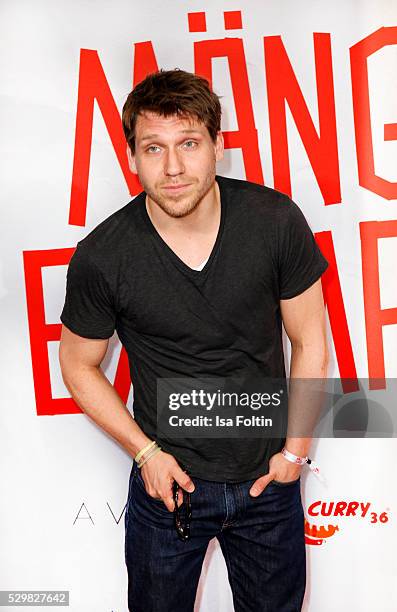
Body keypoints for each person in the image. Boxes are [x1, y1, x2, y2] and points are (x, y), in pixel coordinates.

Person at [59, 68, 329, 612]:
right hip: (169, 488)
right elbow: (77, 365)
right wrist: (146, 454)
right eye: (153, 148)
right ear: (131, 155)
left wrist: (294, 455)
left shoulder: (275, 222)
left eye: (189, 143)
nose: (174, 167)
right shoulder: (103, 256)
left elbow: (309, 340)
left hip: (267, 485)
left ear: (218, 147)